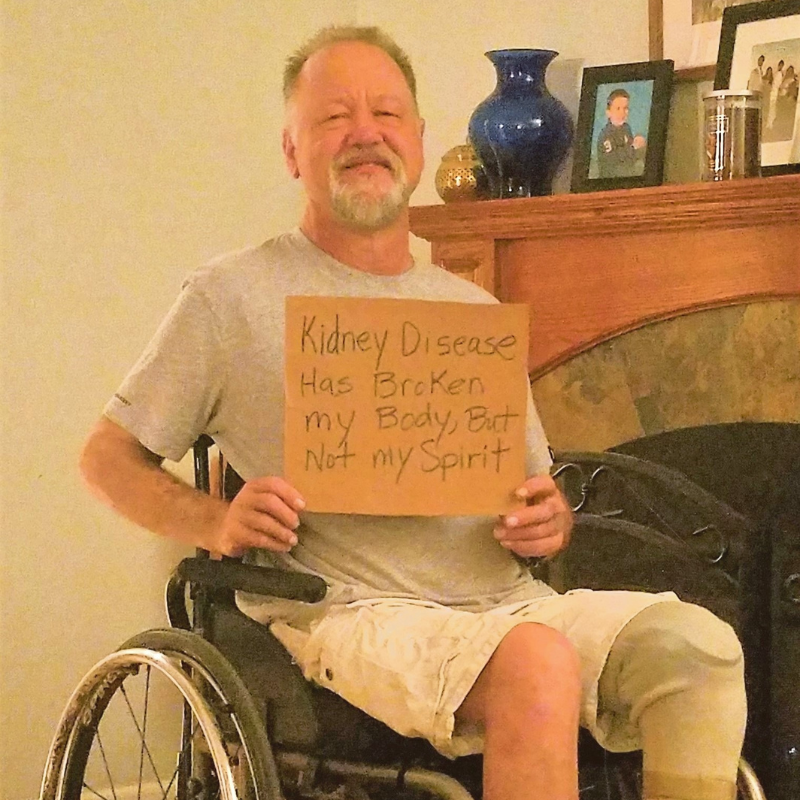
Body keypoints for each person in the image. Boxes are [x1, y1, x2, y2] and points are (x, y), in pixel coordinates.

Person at [80, 25, 747, 800]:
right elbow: (105, 457)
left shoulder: (469, 309)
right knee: (537, 660)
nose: (365, 132)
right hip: (350, 614)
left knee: (699, 646)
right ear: (293, 151)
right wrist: (213, 521)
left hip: (508, 604)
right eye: (334, 118)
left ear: (420, 142)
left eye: (387, 114)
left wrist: (548, 521)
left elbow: (536, 497)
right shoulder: (230, 298)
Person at [596, 88, 647, 179]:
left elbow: (631, 153)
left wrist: (638, 143)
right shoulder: (606, 135)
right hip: (611, 177)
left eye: (625, 108)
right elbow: (612, 159)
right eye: (618, 109)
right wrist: (633, 147)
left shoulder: (626, 128)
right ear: (608, 113)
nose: (622, 113)